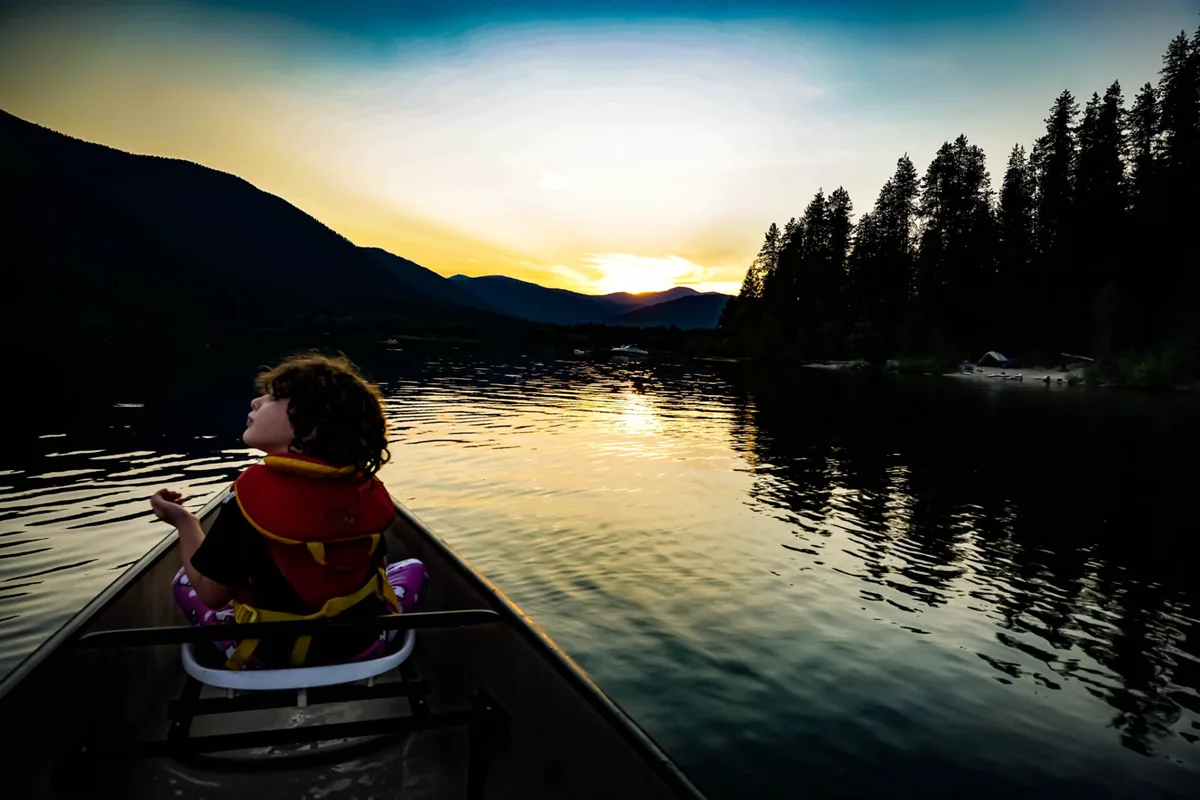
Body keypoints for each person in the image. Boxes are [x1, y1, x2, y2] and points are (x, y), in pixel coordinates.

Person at [149, 352, 428, 670]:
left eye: (273, 398)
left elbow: (211, 594)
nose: (256, 402)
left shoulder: (247, 498)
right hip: (359, 645)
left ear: (311, 430)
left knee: (184, 580)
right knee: (415, 569)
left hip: (267, 654)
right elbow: (379, 571)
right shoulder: (364, 489)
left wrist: (185, 522)